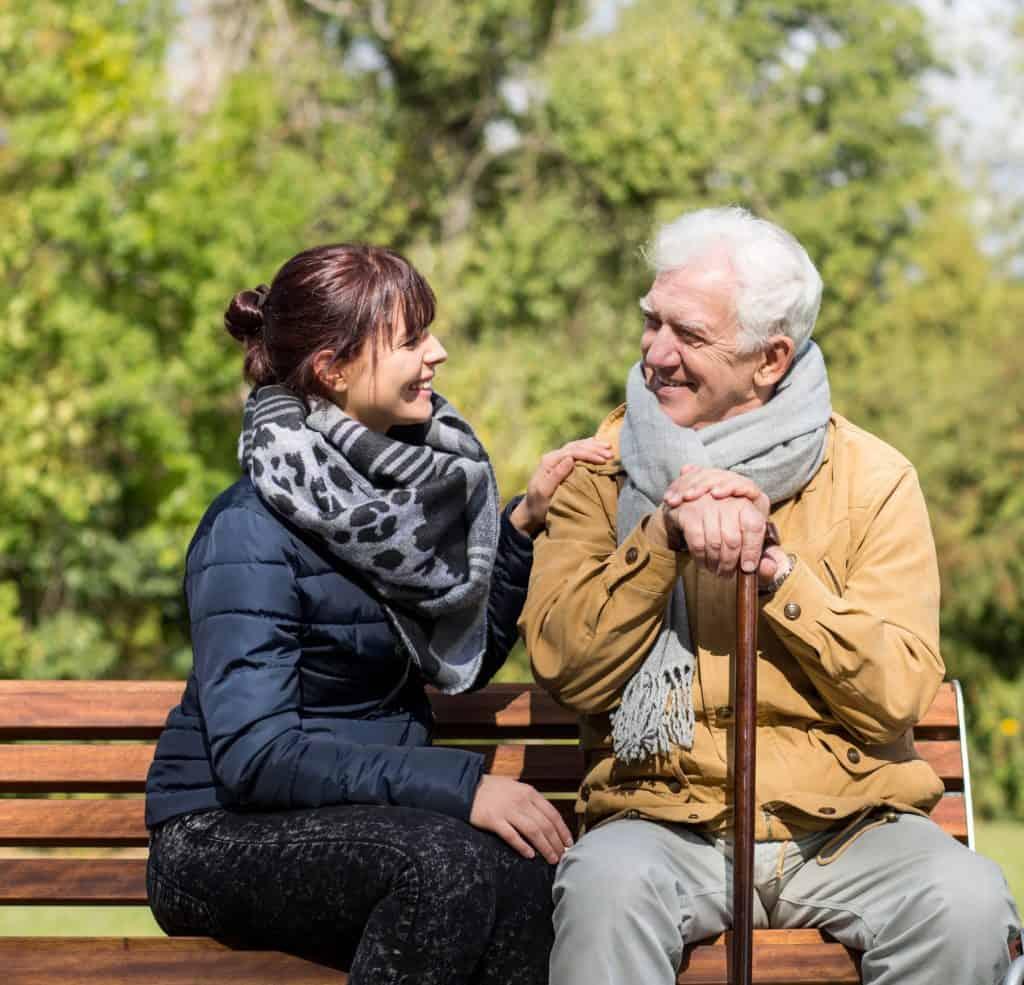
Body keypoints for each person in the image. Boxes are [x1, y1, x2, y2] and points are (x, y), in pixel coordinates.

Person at [519, 207, 1021, 985]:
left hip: (847, 827)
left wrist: (780, 575)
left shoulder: (874, 477)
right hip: (662, 818)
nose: (655, 353)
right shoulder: (599, 470)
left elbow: (894, 693)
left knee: (966, 902)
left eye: (688, 334)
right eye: (651, 322)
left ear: (769, 358)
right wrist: (662, 538)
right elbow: (563, 665)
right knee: (606, 890)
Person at [144, 243, 612, 984]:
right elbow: (256, 755)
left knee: (529, 876)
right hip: (218, 833)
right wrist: (464, 786)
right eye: (411, 338)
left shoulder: (396, 509)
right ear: (332, 369)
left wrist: (520, 524)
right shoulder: (249, 528)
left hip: (367, 818)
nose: (439, 352)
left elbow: (454, 660)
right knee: (441, 869)